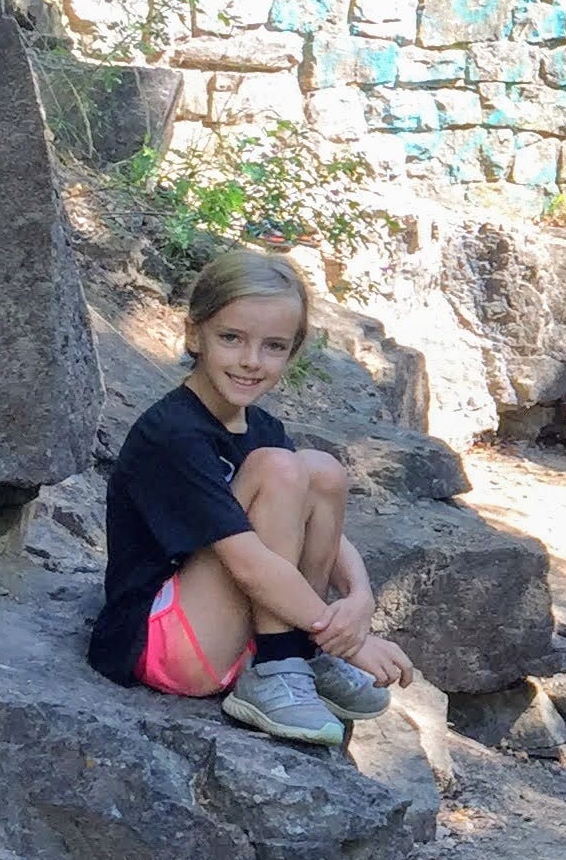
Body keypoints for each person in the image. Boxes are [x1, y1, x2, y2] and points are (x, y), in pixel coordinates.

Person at [85, 246, 413, 749]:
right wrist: (349, 640)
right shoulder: (173, 432)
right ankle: (279, 664)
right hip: (161, 644)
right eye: (231, 338)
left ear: (292, 351)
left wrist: (359, 599)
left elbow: (317, 526)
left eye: (274, 346)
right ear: (195, 334)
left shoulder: (261, 426)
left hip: (223, 629)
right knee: (279, 467)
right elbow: (248, 563)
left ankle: (295, 655)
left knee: (321, 471)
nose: (251, 362)